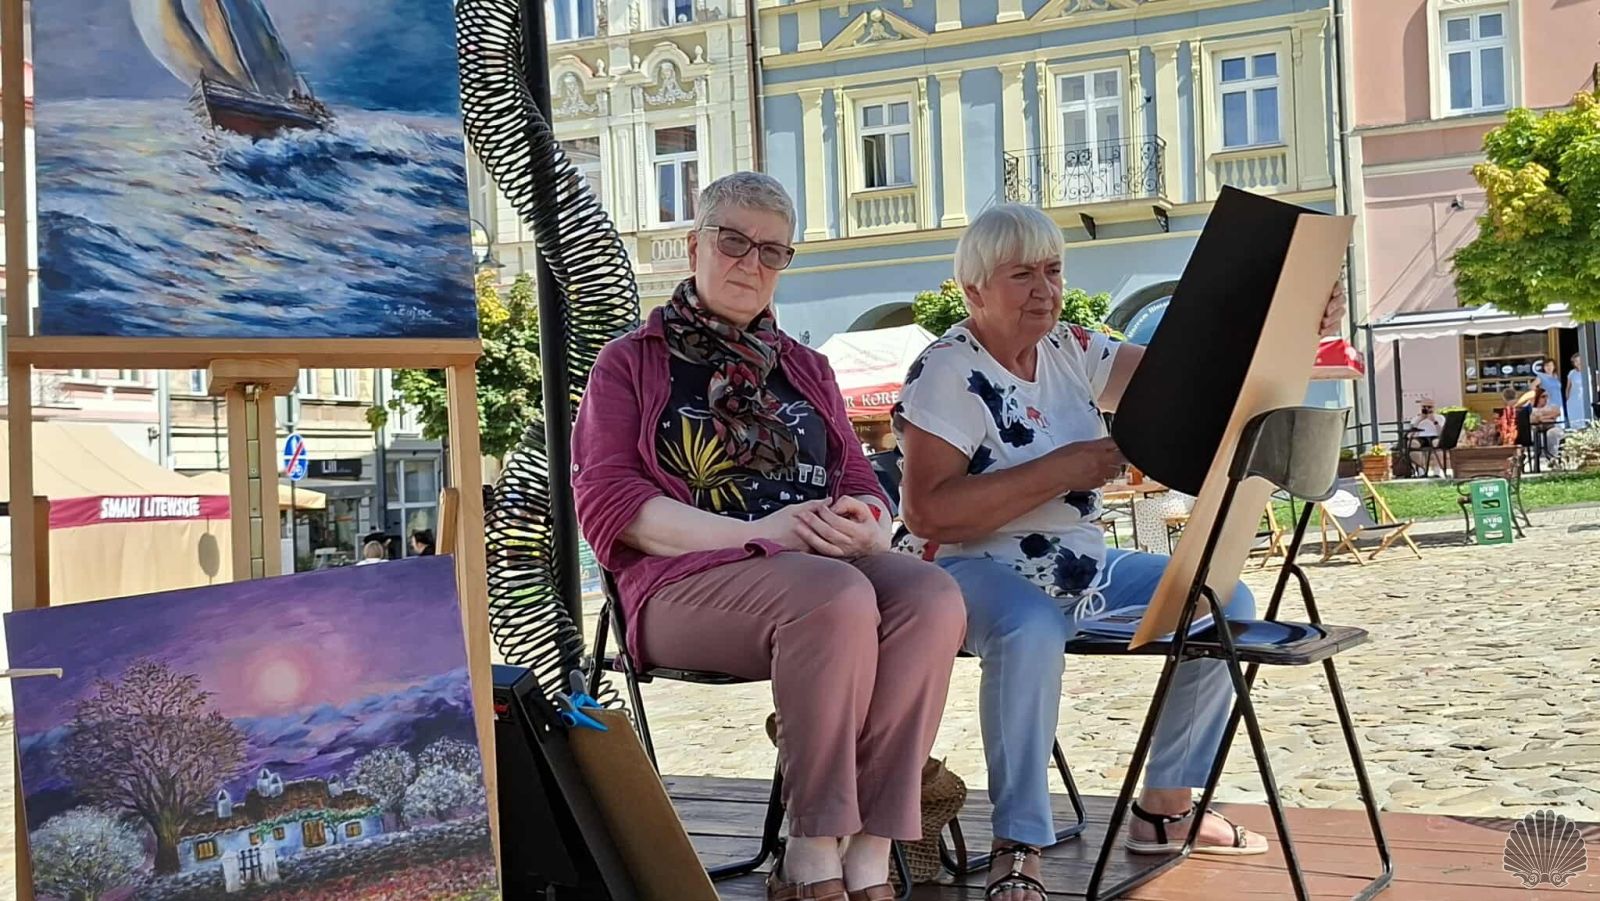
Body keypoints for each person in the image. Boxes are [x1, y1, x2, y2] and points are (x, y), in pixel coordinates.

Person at [893, 204, 1347, 901]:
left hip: (1079, 564)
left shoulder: (1071, 347)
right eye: (1021, 274)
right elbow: (927, 512)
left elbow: (1194, 378)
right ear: (973, 288)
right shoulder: (947, 369)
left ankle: (1163, 809)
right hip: (967, 567)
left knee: (1222, 599)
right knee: (1029, 628)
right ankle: (1018, 842)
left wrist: (1293, 324)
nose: (1044, 289)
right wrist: (1064, 468)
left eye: (1053, 270)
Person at [571, 171, 966, 901]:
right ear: (694, 245)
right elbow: (610, 504)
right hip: (678, 585)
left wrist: (865, 522)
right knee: (834, 596)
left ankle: (873, 845)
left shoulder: (807, 368)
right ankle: (812, 846)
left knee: (931, 596)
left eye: (772, 251)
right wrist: (757, 533)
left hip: (815, 569)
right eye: (733, 242)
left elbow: (858, 479)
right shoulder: (631, 362)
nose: (751, 263)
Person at [1406, 399, 1445, 475]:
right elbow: (1412, 434)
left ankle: (1436, 470)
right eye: (1424, 407)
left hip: (1434, 436)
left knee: (1438, 443)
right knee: (1412, 444)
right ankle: (1420, 469)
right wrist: (1419, 420)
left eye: (1429, 407)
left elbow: (1441, 433)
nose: (1427, 409)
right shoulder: (1416, 419)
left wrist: (1434, 421)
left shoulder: (1440, 418)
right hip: (1420, 437)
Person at [1530, 384, 1564, 462]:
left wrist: (1542, 417)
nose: (1546, 398)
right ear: (1537, 397)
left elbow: (1556, 414)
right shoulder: (1531, 409)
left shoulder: (1552, 406)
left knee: (1552, 433)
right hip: (1535, 430)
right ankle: (1540, 456)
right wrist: (1546, 417)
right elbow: (1534, 419)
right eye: (1543, 396)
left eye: (1546, 396)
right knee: (1533, 435)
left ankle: (1552, 457)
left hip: (1551, 428)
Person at [1567, 353, 1591, 430]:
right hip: (1574, 400)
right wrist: (1567, 399)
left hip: (1586, 398)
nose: (1578, 363)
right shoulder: (1572, 373)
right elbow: (1568, 387)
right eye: (1576, 361)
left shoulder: (1589, 370)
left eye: (1579, 360)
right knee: (1575, 420)